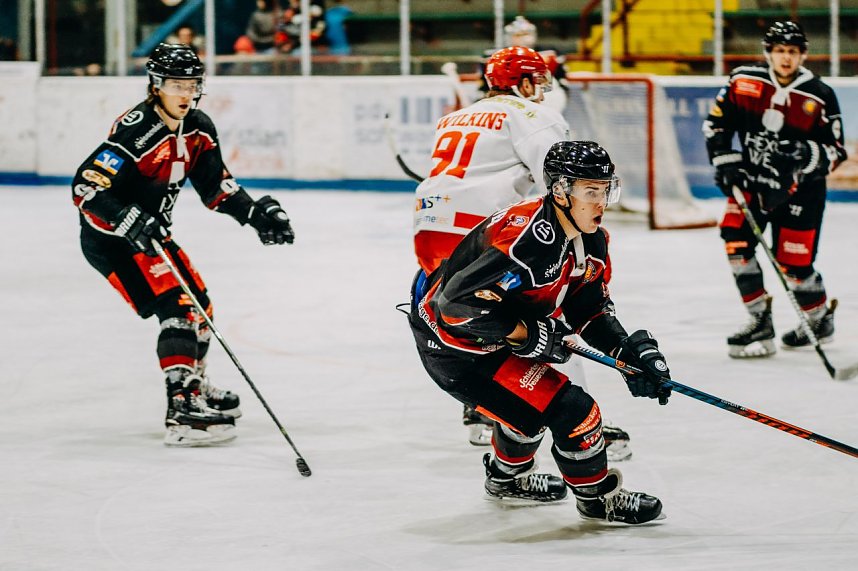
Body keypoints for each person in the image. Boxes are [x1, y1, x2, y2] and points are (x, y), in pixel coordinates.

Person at [408, 140, 670, 524]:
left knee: (526, 416)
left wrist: (626, 353)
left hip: (486, 331)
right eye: (590, 192)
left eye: (605, 190)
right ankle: (598, 500)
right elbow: (454, 306)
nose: (601, 202)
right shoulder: (525, 240)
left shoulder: (591, 238)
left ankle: (505, 480)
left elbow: (588, 308)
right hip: (454, 345)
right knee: (576, 412)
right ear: (561, 191)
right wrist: (526, 333)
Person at [413, 46, 632, 461]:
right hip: (483, 235)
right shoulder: (532, 115)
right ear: (525, 82)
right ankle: (565, 409)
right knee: (547, 312)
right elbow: (556, 181)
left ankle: (488, 409)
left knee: (467, 317)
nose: (542, 93)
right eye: (539, 84)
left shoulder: (455, 117)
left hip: (430, 233)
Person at [71, 44, 295, 447]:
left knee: (200, 306)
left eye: (193, 84)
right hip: (111, 239)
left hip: (151, 234)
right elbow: (86, 186)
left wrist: (255, 215)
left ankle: (193, 382)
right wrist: (125, 217)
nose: (186, 93)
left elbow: (217, 189)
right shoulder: (136, 130)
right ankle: (181, 406)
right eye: (177, 84)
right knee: (176, 307)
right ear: (156, 85)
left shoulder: (199, 128)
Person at [702, 21, 847, 358]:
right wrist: (725, 159)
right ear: (768, 52)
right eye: (779, 51)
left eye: (792, 52)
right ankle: (759, 321)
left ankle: (818, 319)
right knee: (736, 243)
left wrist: (806, 155)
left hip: (801, 191)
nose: (785, 58)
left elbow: (837, 150)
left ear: (803, 55)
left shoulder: (819, 94)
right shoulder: (743, 81)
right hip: (751, 185)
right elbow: (717, 123)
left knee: (793, 265)